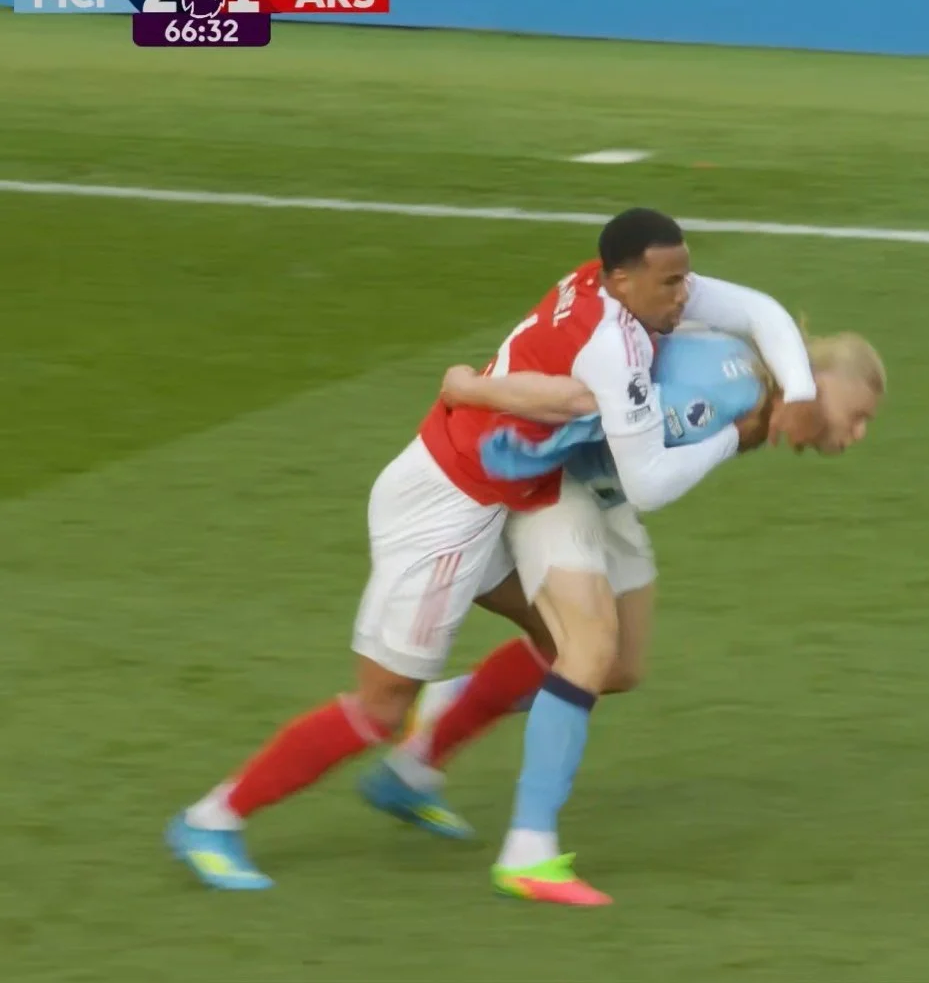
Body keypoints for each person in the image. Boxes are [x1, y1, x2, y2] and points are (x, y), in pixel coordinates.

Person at [165, 206, 823, 892]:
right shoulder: (613, 346)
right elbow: (649, 484)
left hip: (514, 494)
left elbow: (759, 310)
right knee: (382, 705)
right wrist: (734, 435)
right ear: (622, 280)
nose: (686, 295)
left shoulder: (615, 288)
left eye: (686, 278)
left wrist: (800, 390)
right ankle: (213, 818)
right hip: (448, 508)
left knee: (584, 653)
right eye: (671, 283)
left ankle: (424, 774)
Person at [367, 325, 886, 906]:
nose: (858, 434)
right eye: (857, 415)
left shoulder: (759, 397)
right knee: (588, 649)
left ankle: (422, 752)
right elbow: (620, 440)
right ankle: (528, 850)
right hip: (559, 480)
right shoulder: (727, 393)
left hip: (603, 491)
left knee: (620, 666)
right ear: (817, 381)